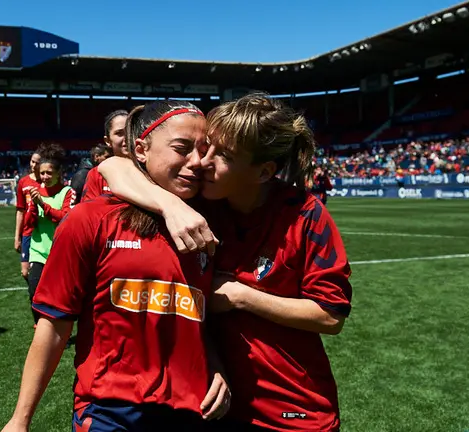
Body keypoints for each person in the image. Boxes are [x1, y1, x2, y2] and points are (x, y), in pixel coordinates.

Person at [98, 93, 353, 431]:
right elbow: (112, 166)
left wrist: (240, 295)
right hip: (216, 405)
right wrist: (171, 206)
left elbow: (330, 315)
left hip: (293, 407)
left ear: (263, 172)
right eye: (208, 148)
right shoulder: (200, 204)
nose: (203, 162)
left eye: (224, 156)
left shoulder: (305, 215)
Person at [3, 100, 229, 432]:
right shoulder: (90, 219)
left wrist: (215, 365)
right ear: (141, 148)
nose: (196, 162)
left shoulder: (210, 224)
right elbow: (53, 327)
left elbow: (196, 316)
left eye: (203, 150)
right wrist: (20, 418)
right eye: (182, 148)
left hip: (191, 407)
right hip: (110, 410)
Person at [23, 143, 74, 326]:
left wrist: (43, 205)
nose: (44, 177)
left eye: (49, 173)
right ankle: (40, 326)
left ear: (59, 173)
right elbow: (29, 224)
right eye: (42, 173)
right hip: (38, 250)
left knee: (59, 295)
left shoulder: (67, 193)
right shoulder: (36, 192)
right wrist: (34, 207)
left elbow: (64, 219)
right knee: (34, 291)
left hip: (59, 251)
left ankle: (58, 329)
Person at [81, 110, 128, 202]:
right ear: (108, 141)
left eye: (130, 131)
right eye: (119, 133)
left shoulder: (150, 169)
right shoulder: (96, 175)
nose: (126, 138)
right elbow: (89, 211)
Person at [14, 150, 42, 281]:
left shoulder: (47, 181)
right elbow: (20, 211)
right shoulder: (23, 182)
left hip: (43, 231)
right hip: (27, 231)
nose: (34, 165)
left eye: (37, 162)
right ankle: (34, 296)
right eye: (32, 161)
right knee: (25, 272)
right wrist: (17, 237)